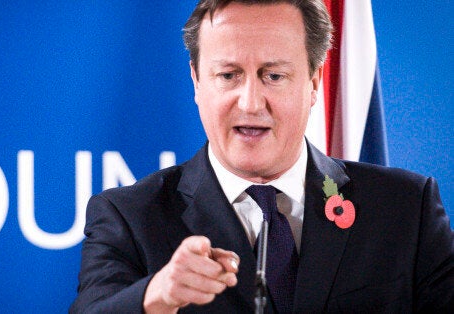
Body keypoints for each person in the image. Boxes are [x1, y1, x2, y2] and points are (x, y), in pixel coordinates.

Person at [70, 0, 454, 312]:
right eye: (228, 75)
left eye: (273, 75)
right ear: (197, 82)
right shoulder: (129, 216)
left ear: (314, 82)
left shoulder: (405, 207)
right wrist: (157, 295)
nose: (251, 103)